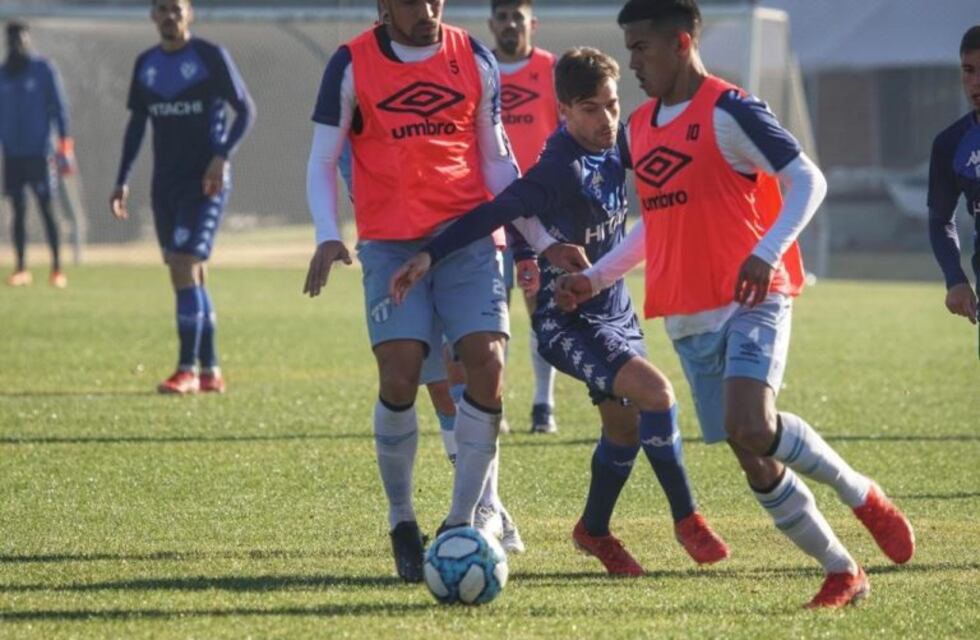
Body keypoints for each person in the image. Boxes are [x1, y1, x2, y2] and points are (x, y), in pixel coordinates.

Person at [557, 0, 915, 608]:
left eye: (642, 47)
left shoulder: (730, 109)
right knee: (751, 451)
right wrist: (594, 278)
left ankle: (861, 495)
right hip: (688, 316)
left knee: (750, 422)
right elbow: (655, 226)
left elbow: (809, 179)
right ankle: (843, 571)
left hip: (754, 296)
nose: (633, 62)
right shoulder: (640, 127)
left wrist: (768, 252)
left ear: (681, 41)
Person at [390, 46, 729, 576]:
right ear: (565, 111)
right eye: (591, 109)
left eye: (613, 105)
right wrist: (430, 254)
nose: (607, 119)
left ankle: (593, 531)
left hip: (615, 309)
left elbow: (675, 168)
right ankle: (687, 518)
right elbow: (496, 212)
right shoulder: (557, 168)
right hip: (566, 319)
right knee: (657, 395)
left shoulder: (622, 140)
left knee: (622, 430)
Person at [303, 0, 574, 583]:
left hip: (468, 238)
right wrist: (328, 236)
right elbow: (323, 160)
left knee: (486, 363)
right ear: (383, 6)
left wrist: (538, 240)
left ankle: (466, 518)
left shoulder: (472, 55)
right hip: (391, 245)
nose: (427, 8)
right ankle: (402, 518)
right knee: (400, 374)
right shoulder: (350, 63)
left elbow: (497, 160)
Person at [110, 0, 255, 395]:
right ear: (152, 16)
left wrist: (220, 156)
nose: (169, 16)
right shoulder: (146, 64)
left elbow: (245, 111)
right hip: (165, 185)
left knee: (182, 264)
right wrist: (122, 178)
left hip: (205, 183)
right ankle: (210, 370)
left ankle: (186, 369)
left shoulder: (210, 56)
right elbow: (137, 125)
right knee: (189, 273)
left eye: (176, 9)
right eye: (162, 9)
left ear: (189, 14)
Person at [488, 0, 561, 434]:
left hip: (540, 211)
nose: (510, 24)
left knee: (541, 308)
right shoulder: (479, 68)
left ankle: (542, 405)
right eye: (502, 17)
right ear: (491, 24)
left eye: (518, 16)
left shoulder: (552, 71)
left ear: (532, 23)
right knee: (492, 310)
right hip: (491, 211)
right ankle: (493, 404)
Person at [0, 20, 74, 288]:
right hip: (13, 154)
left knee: (47, 208)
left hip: (41, 153)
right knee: (17, 209)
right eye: (12, 39)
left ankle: (57, 269)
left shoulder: (43, 70)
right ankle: (21, 268)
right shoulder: (3, 74)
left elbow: (60, 108)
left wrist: (65, 146)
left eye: (21, 38)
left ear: (28, 39)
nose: (17, 44)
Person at [928, 25, 980, 349]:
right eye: (968, 70)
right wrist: (955, 278)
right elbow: (939, 220)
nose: (975, 82)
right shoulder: (951, 144)